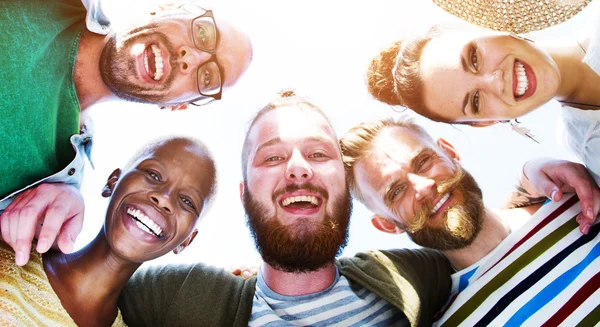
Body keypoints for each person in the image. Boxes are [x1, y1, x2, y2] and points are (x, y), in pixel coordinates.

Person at [118, 93, 453, 327]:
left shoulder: (416, 275)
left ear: (346, 184)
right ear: (244, 192)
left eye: (319, 154)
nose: (298, 168)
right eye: (273, 157)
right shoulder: (171, 295)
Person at [0, 0, 252, 265]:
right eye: (203, 33)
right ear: (167, 8)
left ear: (175, 106)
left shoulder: (55, 184)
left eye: (209, 77)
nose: (190, 58)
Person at [340, 117, 600, 326]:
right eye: (396, 191)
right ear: (388, 225)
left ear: (449, 151)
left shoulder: (579, 192)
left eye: (423, 162)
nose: (424, 187)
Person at [366, 7, 600, 185]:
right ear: (485, 122)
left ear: (484, 25)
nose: (495, 81)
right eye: (476, 101)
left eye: (474, 58)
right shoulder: (590, 148)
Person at [0, 136, 217, 326]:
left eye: (187, 201)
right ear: (112, 182)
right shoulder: (8, 245)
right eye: (153, 174)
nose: (163, 198)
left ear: (186, 241)